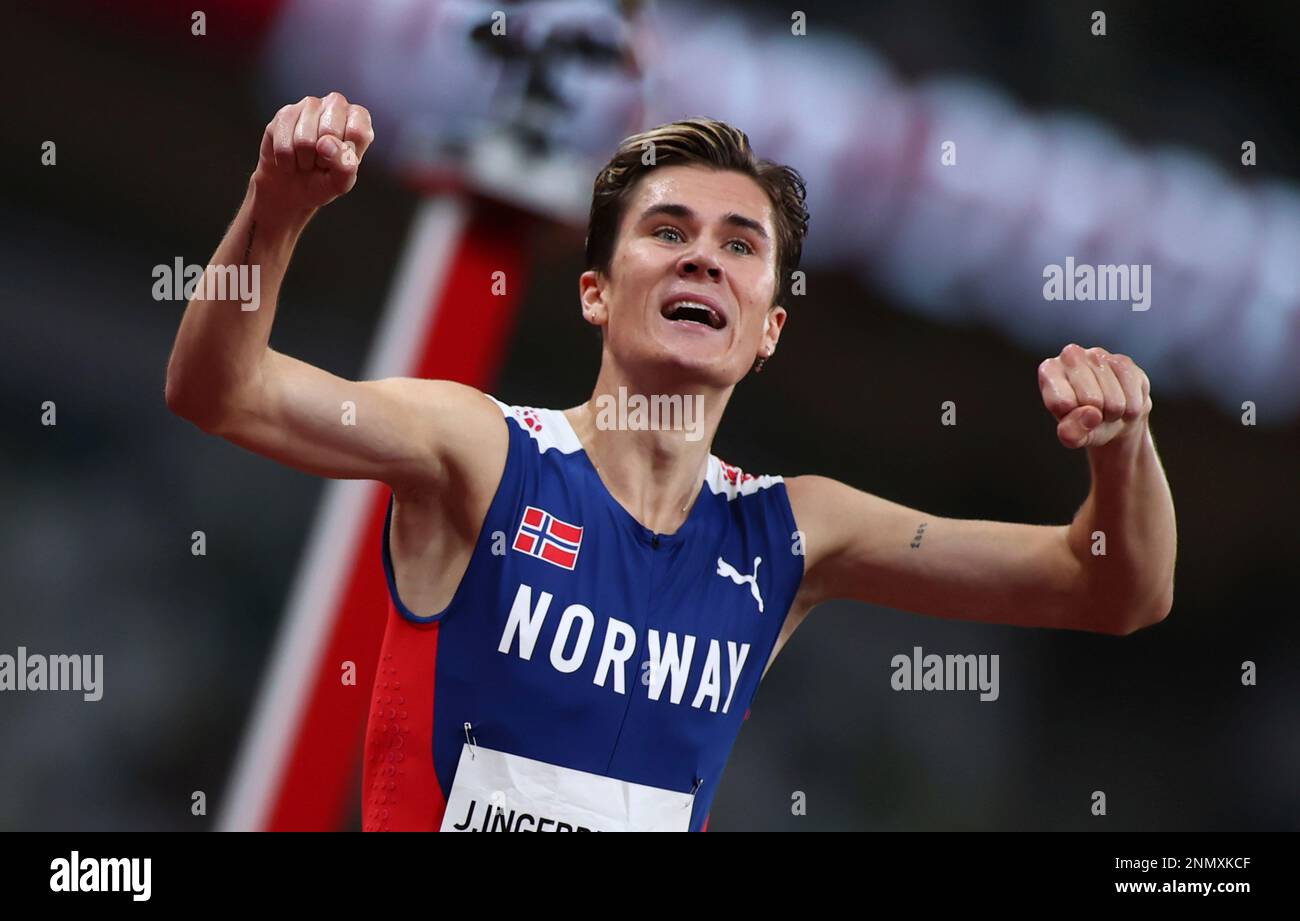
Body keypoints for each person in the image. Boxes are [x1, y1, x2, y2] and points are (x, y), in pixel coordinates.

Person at [165, 93, 1177, 832]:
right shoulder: (482, 452)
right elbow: (223, 391)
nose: (702, 257)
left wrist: (1124, 449)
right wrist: (275, 211)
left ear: (768, 327)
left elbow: (1112, 589)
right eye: (667, 231)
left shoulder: (795, 533)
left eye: (740, 245)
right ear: (596, 292)